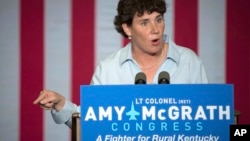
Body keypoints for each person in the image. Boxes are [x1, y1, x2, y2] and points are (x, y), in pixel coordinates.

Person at [33, 0, 208, 128]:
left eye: (159, 19)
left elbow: (209, 120)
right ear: (127, 28)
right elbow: (92, 124)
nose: (155, 29)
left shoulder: (189, 61)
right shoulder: (108, 68)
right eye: (144, 22)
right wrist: (61, 104)